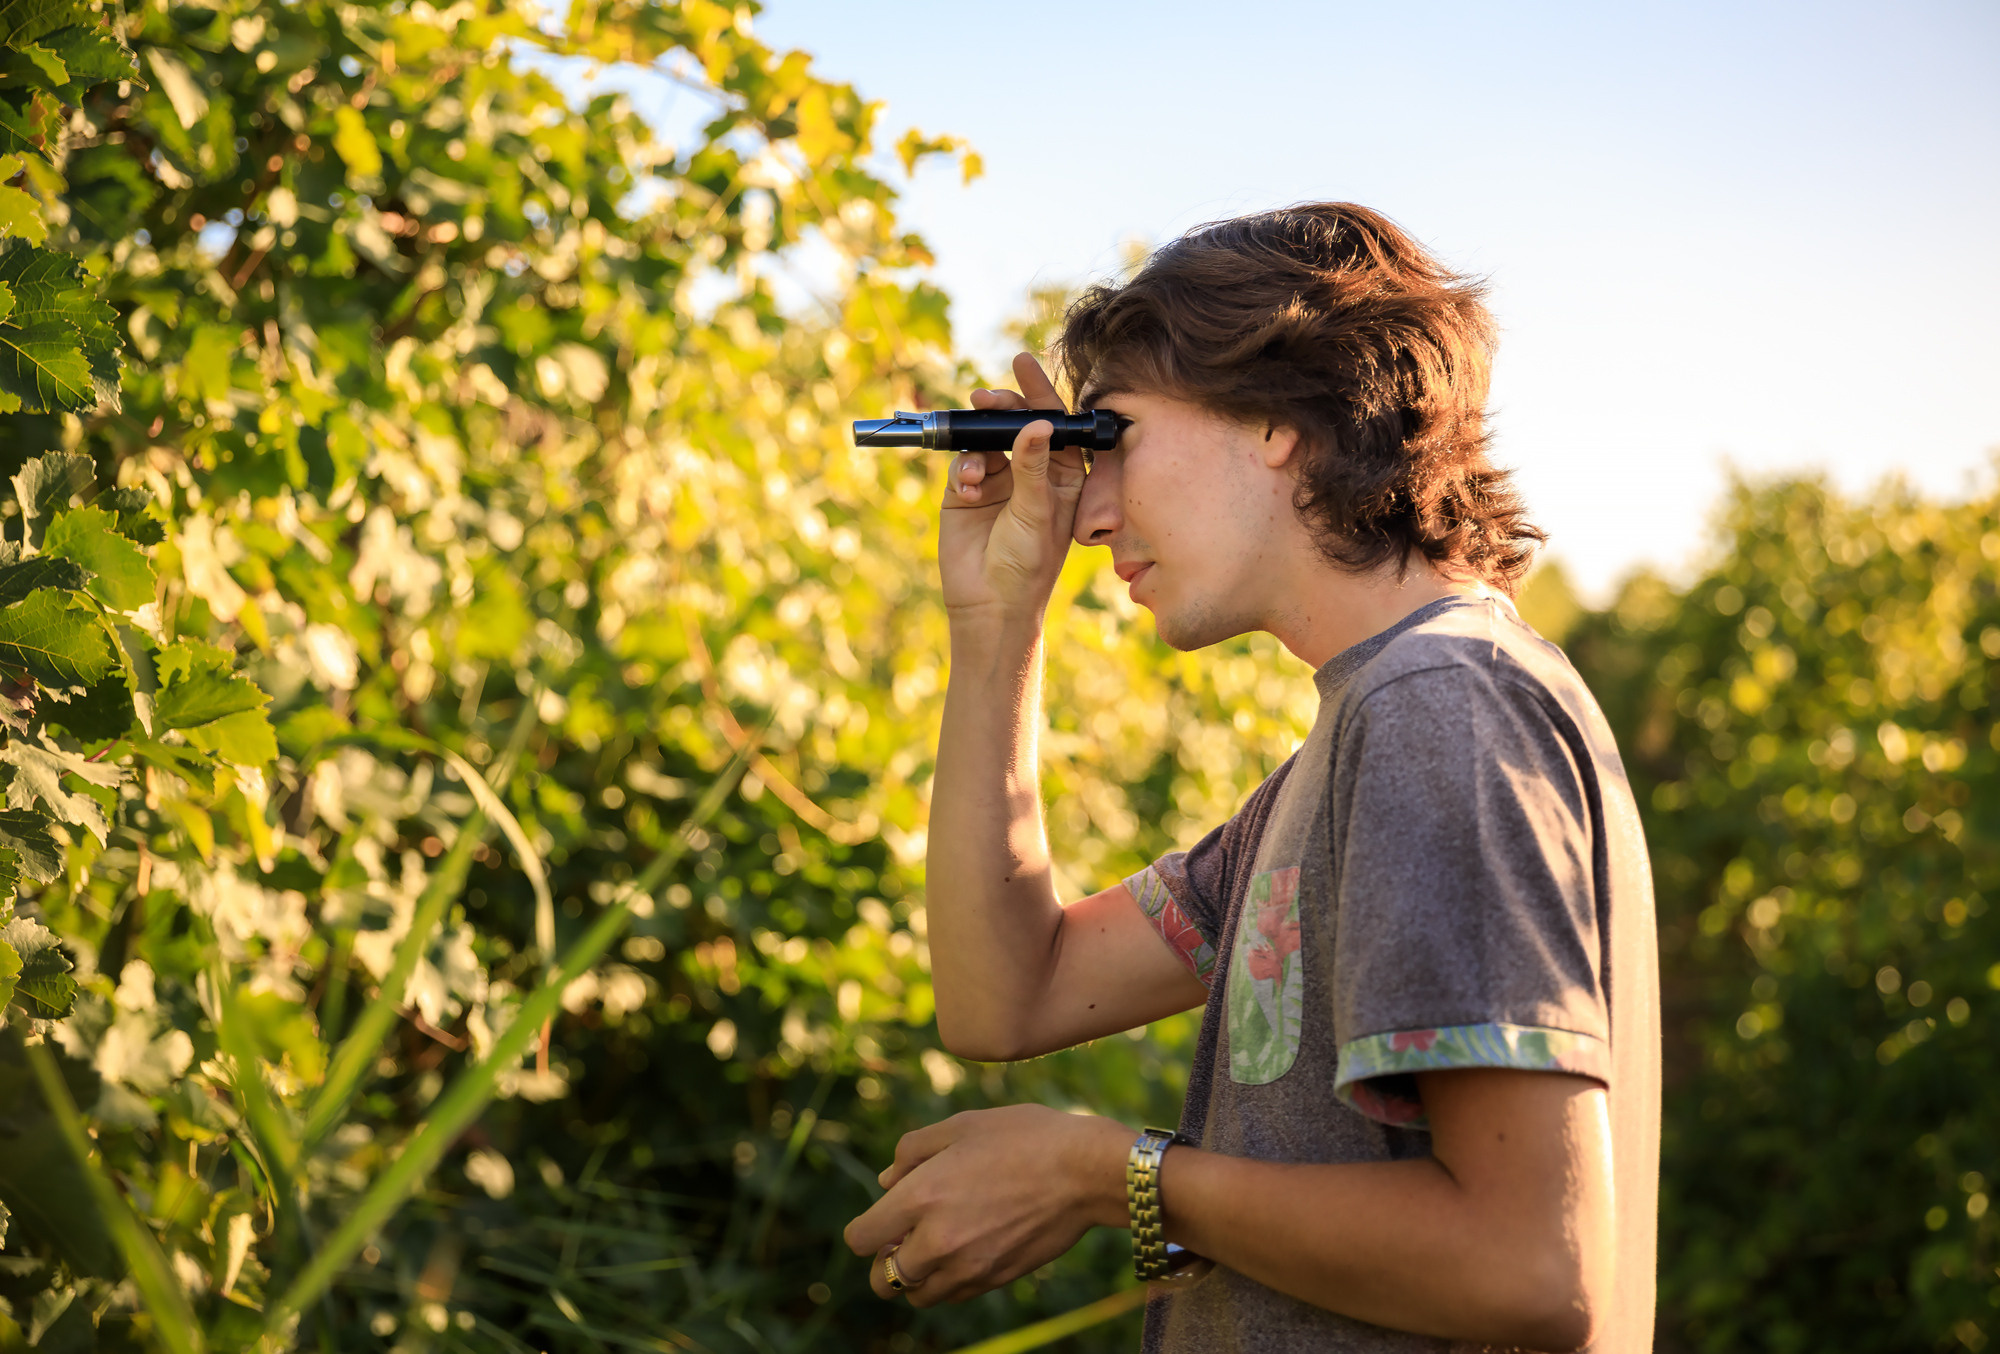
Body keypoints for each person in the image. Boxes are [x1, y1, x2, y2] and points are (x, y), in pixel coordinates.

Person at [843, 202, 1659, 1353]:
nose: (1091, 514)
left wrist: (1109, 1175)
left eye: (1111, 436)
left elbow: (1528, 1266)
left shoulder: (1437, 707)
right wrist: (993, 620)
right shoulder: (1350, 744)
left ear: (1277, 418)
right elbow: (1004, 996)